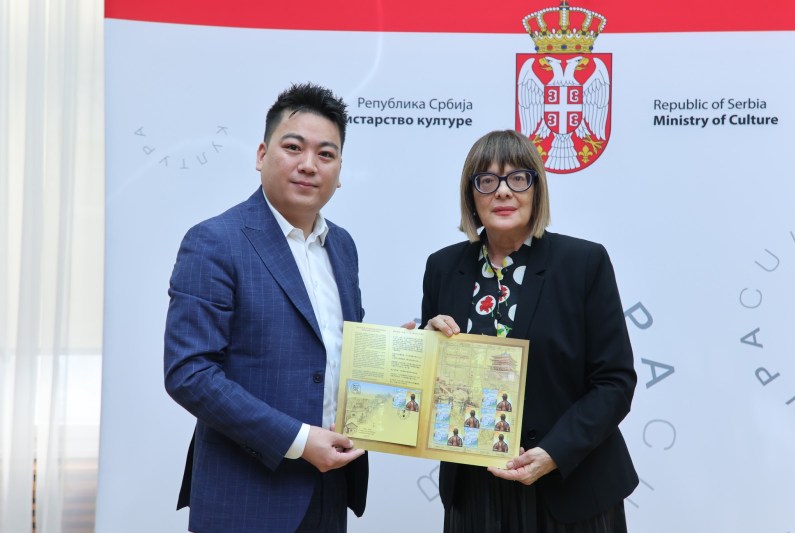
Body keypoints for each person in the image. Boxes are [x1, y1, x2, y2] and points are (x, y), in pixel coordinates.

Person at [164, 83, 368, 533]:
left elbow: (335, 355)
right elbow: (189, 372)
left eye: (326, 154)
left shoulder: (343, 247)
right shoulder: (215, 241)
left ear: (339, 171)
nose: (309, 164)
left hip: (330, 490)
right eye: (293, 147)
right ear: (261, 155)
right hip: (246, 496)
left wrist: (402, 356)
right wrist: (299, 440)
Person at [421, 130, 638, 532]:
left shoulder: (584, 263)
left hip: (571, 485)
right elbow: (435, 390)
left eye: (518, 178)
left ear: (537, 190)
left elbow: (614, 382)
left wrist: (554, 453)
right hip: (476, 493)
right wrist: (423, 344)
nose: (503, 191)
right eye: (487, 180)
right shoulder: (443, 268)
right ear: (471, 195)